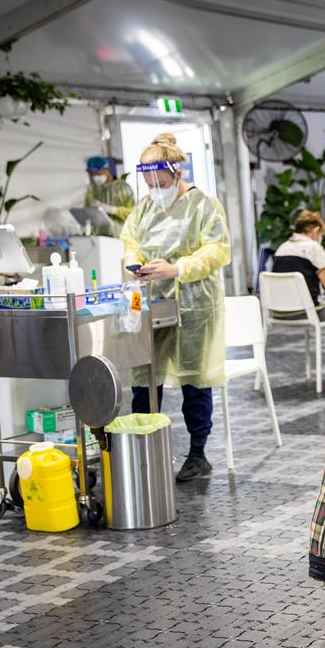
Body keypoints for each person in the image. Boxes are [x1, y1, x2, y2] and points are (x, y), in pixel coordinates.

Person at [120, 133, 232, 482]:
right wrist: (134, 262)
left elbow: (217, 249)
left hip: (194, 305)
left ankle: (198, 453)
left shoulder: (204, 204)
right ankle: (142, 445)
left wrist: (178, 268)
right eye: (149, 184)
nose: (156, 190)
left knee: (193, 378)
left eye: (162, 183)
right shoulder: (145, 208)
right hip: (152, 301)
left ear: (177, 174)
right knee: (144, 377)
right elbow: (130, 241)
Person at [271, 210, 325, 377]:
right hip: (307, 313)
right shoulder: (313, 248)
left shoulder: (282, 248)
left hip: (279, 313)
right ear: (315, 230)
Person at [83, 156, 135, 237]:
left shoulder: (123, 188)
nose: (95, 177)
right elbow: (86, 213)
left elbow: (134, 214)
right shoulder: (92, 190)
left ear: (107, 170)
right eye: (92, 174)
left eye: (98, 173)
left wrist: (114, 210)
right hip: (98, 236)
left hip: (120, 236)